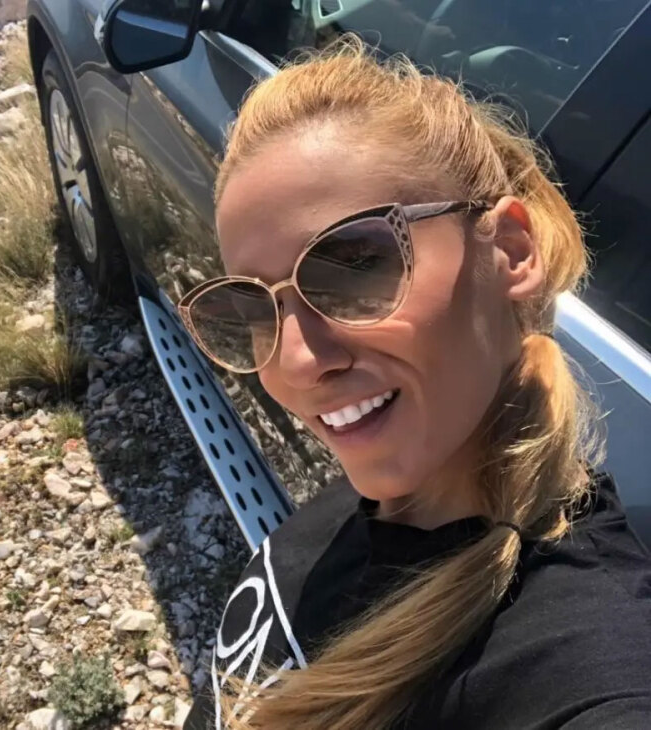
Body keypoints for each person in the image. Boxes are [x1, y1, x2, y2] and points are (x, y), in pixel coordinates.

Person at [179, 36, 651, 730]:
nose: (300, 362)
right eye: (251, 307)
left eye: (353, 266)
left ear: (510, 250)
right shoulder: (384, 500)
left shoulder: (589, 670)